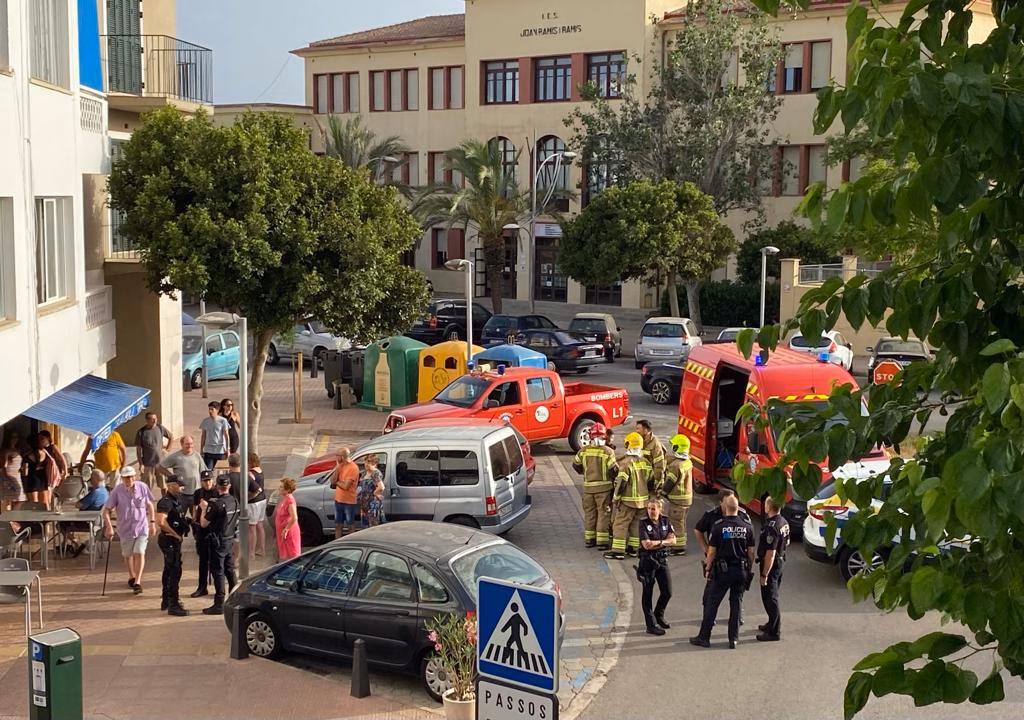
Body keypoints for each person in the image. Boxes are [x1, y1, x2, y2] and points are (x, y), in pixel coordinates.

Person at [690, 495, 755, 649]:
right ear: (738, 508)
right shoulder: (747, 526)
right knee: (736, 604)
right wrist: (748, 568)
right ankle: (733, 639)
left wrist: (707, 568)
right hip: (741, 569)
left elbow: (711, 552)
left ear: (726, 508)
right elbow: (751, 552)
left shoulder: (719, 526)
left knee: (712, 602)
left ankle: (704, 637)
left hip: (722, 571)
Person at [102, 466, 157, 595]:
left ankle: (137, 582)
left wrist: (152, 522)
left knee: (139, 552)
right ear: (122, 478)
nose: (130, 479)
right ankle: (132, 576)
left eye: (132, 477)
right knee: (128, 554)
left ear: (135, 477)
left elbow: (149, 505)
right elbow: (106, 510)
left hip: (141, 526)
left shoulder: (142, 487)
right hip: (125, 528)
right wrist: (109, 527)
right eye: (127, 477)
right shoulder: (117, 491)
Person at [694, 489, 752, 614]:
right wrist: (706, 548)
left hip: (737, 560)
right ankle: (708, 616)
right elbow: (698, 529)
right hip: (717, 560)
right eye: (727, 502)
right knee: (710, 594)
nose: (730, 504)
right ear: (720, 502)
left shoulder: (742, 514)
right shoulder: (712, 515)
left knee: (737, 596)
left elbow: (749, 539)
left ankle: (737, 616)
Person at [604, 432, 652, 560]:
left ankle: (618, 551)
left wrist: (616, 498)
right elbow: (651, 481)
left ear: (628, 445)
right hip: (643, 501)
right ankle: (634, 549)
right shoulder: (646, 462)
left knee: (620, 524)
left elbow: (621, 483)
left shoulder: (626, 463)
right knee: (636, 524)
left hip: (628, 501)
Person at [198, 474, 240, 615]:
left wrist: (204, 508)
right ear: (228, 486)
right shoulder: (234, 500)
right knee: (229, 569)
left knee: (218, 571)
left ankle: (219, 603)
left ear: (217, 486)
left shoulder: (215, 504)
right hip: (229, 539)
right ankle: (235, 599)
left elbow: (204, 523)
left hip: (218, 541)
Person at [572, 422, 618, 549]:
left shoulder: (583, 451)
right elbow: (614, 470)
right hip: (604, 489)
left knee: (590, 514)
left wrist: (586, 472)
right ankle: (602, 541)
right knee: (603, 514)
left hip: (587, 489)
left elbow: (576, 465)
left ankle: (590, 539)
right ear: (604, 437)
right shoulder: (608, 452)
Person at [637, 497, 676, 635]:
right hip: (648, 561)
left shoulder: (665, 520)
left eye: (653, 509)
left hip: (662, 560)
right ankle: (651, 624)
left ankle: (658, 615)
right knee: (647, 593)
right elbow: (646, 544)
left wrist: (658, 543)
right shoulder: (643, 523)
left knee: (667, 592)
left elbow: (674, 540)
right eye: (649, 508)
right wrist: (664, 542)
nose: (650, 511)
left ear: (660, 509)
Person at [756, 496, 790, 642]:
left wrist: (764, 574)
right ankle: (771, 623)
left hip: (772, 564)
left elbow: (770, 553)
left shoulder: (772, 526)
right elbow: (786, 542)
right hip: (780, 562)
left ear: (769, 507)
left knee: (770, 597)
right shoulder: (783, 522)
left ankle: (774, 632)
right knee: (772, 595)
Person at [155, 476, 190, 616]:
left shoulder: (177, 500)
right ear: (170, 486)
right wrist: (175, 534)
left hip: (174, 542)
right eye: (179, 485)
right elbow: (161, 522)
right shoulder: (166, 502)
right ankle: (173, 604)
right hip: (168, 540)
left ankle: (166, 600)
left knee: (169, 570)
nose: (182, 488)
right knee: (174, 572)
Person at [662, 434, 694, 556]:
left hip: (678, 500)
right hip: (687, 499)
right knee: (681, 522)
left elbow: (670, 482)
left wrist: (662, 493)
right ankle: (680, 543)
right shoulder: (687, 462)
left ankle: (678, 547)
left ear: (677, 448)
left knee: (676, 522)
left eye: (673, 446)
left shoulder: (676, 466)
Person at [189, 470, 218, 598]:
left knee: (216, 561)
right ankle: (202, 587)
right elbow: (195, 509)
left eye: (209, 480)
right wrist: (194, 520)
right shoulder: (198, 493)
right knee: (203, 560)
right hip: (202, 530)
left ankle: (219, 589)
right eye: (205, 481)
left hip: (214, 529)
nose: (207, 483)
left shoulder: (217, 493)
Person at [158, 435, 204, 508]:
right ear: (182, 444)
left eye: (191, 443)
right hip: (182, 494)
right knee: (179, 516)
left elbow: (203, 471)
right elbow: (160, 467)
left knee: (195, 517)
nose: (190, 446)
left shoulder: (197, 455)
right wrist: (171, 476)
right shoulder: (176, 457)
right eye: (187, 444)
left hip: (196, 493)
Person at [135, 413, 172, 491]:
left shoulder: (160, 428)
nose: (155, 420)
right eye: (152, 419)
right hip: (148, 464)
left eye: (156, 418)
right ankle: (147, 502)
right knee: (147, 487)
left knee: (164, 486)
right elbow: (138, 450)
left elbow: (171, 437)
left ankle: (165, 501)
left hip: (161, 463)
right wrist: (141, 464)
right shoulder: (141, 432)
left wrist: (167, 450)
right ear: (147, 420)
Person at [329, 447, 359, 538]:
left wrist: (337, 482)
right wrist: (337, 469)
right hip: (338, 500)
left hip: (348, 502)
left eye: (337, 455)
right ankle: (337, 544)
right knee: (338, 525)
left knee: (350, 525)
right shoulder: (340, 466)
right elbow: (332, 480)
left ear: (342, 457)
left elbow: (346, 486)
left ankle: (352, 545)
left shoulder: (353, 468)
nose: (336, 457)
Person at [635, 419, 666, 492]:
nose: (636, 431)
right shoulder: (639, 440)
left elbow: (659, 466)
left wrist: (657, 484)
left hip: (650, 481)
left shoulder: (655, 445)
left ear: (645, 430)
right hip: (640, 478)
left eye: (638, 429)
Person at [21, 433, 52, 505]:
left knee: (33, 504)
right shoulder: (45, 453)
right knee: (45, 503)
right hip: (43, 479)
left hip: (31, 479)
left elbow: (24, 471)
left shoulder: (27, 455)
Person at [275, 477, 301, 560]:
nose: (279, 488)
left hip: (288, 533)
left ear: (287, 490)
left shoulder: (290, 500)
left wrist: (286, 529)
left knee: (291, 554)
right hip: (282, 532)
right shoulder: (285, 498)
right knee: (284, 554)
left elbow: (294, 517)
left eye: (281, 487)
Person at [38, 430, 67, 505]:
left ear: (48, 438)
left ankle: (50, 507)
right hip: (44, 473)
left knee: (50, 490)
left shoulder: (52, 447)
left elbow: (62, 458)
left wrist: (66, 471)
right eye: (39, 439)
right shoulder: (40, 449)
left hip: (51, 473)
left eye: (42, 438)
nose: (40, 440)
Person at [199, 402, 231, 470]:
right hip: (208, 450)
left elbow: (226, 435)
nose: (210, 411)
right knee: (208, 470)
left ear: (217, 410)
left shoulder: (223, 421)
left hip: (220, 451)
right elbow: (203, 436)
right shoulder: (205, 421)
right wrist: (201, 449)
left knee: (220, 470)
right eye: (209, 409)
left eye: (212, 409)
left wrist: (227, 449)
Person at [247, 452, 267, 558]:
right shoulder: (260, 470)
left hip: (254, 502)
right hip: (262, 500)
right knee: (260, 525)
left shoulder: (250, 473)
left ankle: (251, 551)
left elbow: (253, 488)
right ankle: (262, 549)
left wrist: (247, 497)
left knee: (252, 527)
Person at [357, 454, 385, 527]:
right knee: (365, 526)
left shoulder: (375, 473)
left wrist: (375, 493)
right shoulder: (364, 473)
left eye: (369, 462)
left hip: (372, 504)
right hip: (364, 504)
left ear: (375, 464)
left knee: (373, 526)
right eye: (366, 462)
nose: (366, 464)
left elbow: (381, 487)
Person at [1, 430, 25, 510]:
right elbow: (3, 467)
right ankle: (9, 519)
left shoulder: (18, 450)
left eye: (16, 437)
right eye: (12, 437)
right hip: (9, 476)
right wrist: (7, 479)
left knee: (19, 499)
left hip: (17, 475)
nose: (14, 439)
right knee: (9, 499)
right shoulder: (5, 451)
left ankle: (13, 518)